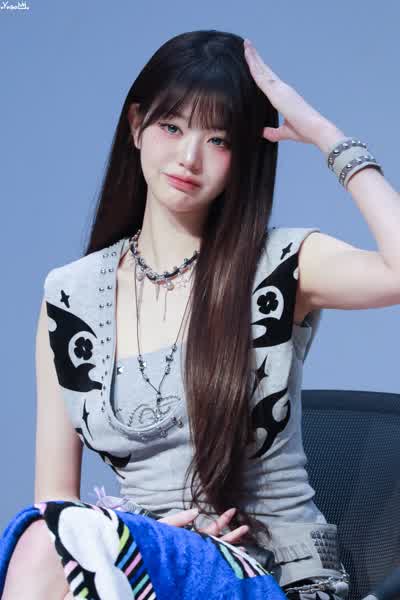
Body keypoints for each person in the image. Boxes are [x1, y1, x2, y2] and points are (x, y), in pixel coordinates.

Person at [1, 29, 399, 600]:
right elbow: (57, 505)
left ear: (245, 155)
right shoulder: (69, 298)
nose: (189, 157)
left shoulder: (279, 265)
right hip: (148, 570)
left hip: (273, 578)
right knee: (47, 535)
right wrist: (155, 541)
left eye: (218, 139)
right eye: (172, 127)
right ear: (136, 125)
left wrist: (322, 134)